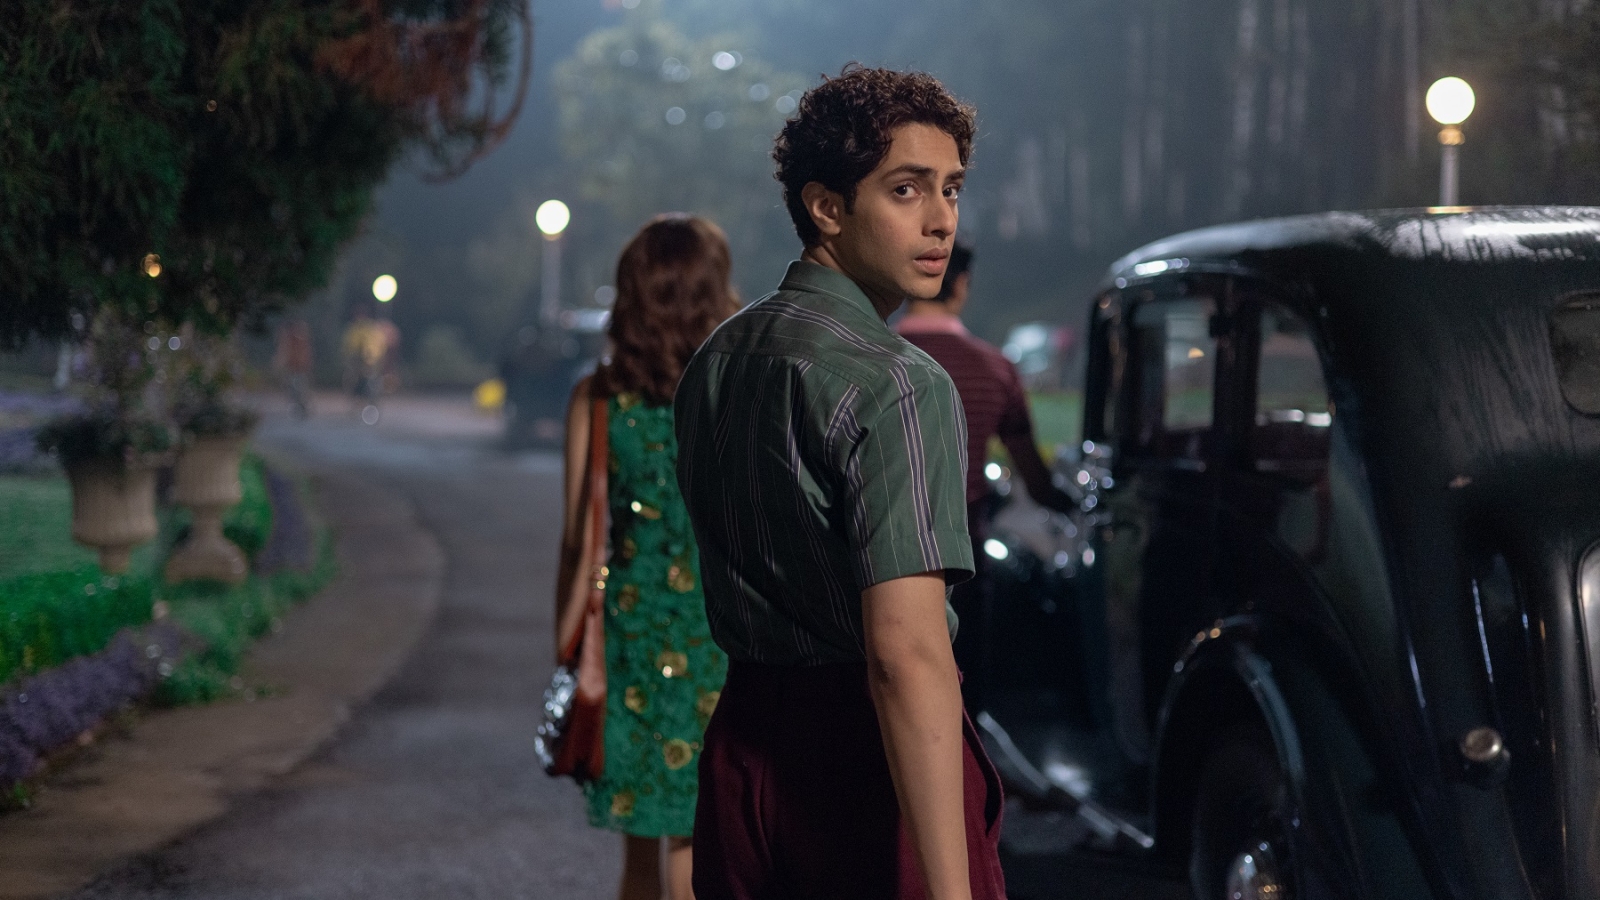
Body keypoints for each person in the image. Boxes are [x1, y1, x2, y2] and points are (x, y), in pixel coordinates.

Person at [675, 65, 1007, 899]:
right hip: (867, 769)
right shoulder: (900, 382)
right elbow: (906, 655)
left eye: (952, 190)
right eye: (906, 189)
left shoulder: (718, 358)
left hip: (741, 756)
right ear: (826, 207)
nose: (941, 220)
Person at [556, 215, 738, 900]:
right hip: (716, 634)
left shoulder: (599, 397)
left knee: (639, 852)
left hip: (629, 633)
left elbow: (578, 539)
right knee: (696, 838)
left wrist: (565, 646)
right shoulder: (733, 390)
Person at [895, 242, 1078, 710]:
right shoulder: (993, 368)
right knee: (962, 697)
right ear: (961, 285)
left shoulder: (871, 358)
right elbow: (1035, 479)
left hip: (880, 562)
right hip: (964, 562)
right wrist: (1074, 503)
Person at [272, 318, 314, 419]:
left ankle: (303, 407)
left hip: (299, 369)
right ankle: (298, 407)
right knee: (292, 389)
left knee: (300, 389)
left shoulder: (299, 340)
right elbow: (283, 355)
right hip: (291, 369)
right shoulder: (287, 341)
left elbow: (305, 355)